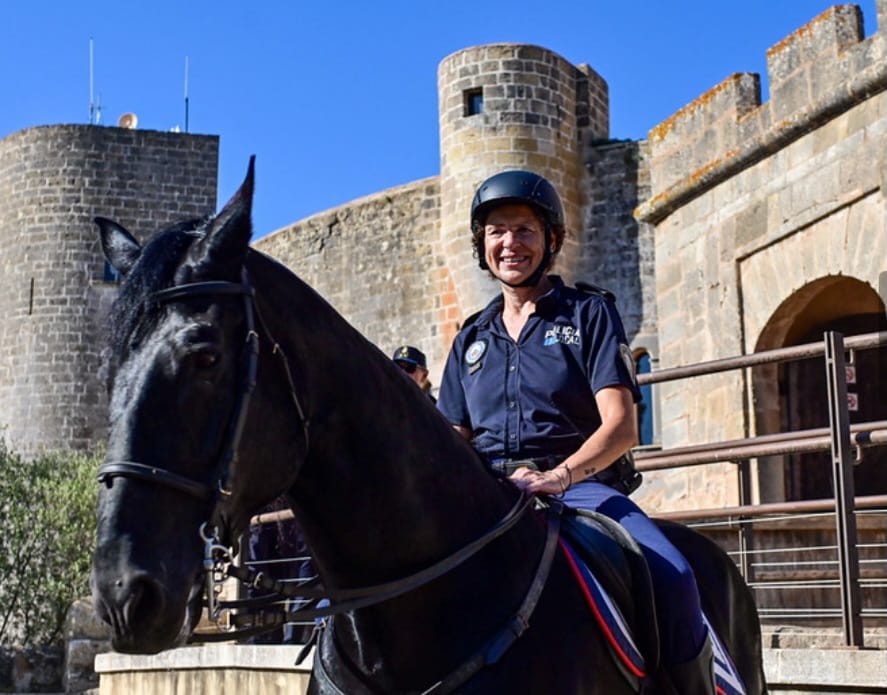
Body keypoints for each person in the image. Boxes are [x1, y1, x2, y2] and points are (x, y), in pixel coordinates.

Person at [436, 169, 715, 694]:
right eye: (497, 231)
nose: (509, 243)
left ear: (551, 240)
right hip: (490, 491)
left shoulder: (589, 313)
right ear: (482, 244)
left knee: (673, 575)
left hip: (582, 487)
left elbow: (621, 425)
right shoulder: (470, 338)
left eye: (524, 230)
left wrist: (558, 477)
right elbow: (452, 437)